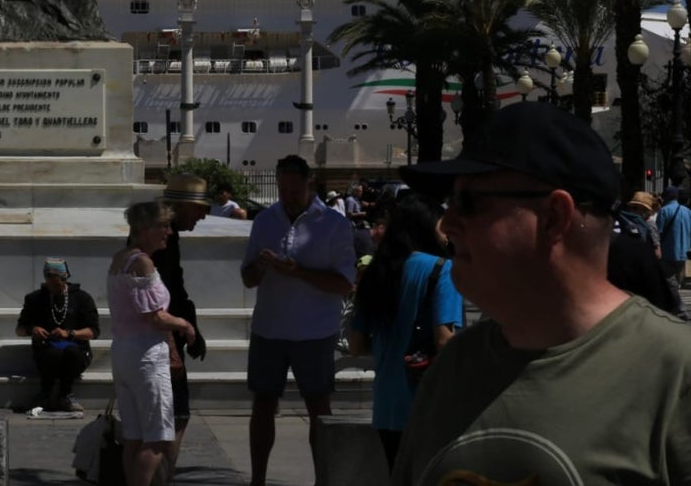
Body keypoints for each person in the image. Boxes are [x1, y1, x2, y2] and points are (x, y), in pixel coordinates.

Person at [393, 101, 691, 484]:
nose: (447, 223)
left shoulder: (676, 374)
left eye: (467, 203)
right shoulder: (453, 367)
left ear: (553, 217)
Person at [241, 154, 355, 486]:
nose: (287, 196)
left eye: (294, 190)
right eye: (282, 189)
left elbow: (345, 283)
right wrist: (261, 267)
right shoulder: (264, 221)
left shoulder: (334, 224)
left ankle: (324, 480)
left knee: (318, 408)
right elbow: (247, 279)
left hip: (315, 330)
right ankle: (257, 480)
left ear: (309, 184)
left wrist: (299, 273)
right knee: (263, 404)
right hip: (269, 328)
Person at [346, 195, 463, 471]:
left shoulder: (377, 271)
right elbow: (445, 341)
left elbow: (355, 345)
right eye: (442, 226)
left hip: (387, 407)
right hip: (429, 406)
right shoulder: (442, 269)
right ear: (427, 227)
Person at [108, 200, 197, 486]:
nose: (169, 232)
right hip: (145, 354)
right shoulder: (142, 262)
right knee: (158, 438)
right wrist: (184, 324)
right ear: (144, 229)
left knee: (134, 435)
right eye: (163, 226)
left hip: (124, 351)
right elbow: (154, 317)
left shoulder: (120, 258)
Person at [150, 173, 211, 483]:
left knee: (171, 418)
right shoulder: (159, 240)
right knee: (170, 419)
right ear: (182, 206)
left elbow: (177, 290)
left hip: (168, 336)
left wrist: (192, 326)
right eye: (199, 207)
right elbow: (155, 303)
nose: (204, 215)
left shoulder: (169, 237)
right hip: (160, 342)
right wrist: (172, 349)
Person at [15, 258, 100, 412]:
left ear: (64, 279)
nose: (53, 287)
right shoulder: (35, 299)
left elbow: (93, 331)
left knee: (71, 353)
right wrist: (32, 330)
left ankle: (66, 394)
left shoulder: (82, 298)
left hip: (76, 350)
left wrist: (70, 334)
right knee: (52, 353)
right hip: (47, 350)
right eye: (49, 283)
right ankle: (45, 393)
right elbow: (19, 329)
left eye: (57, 284)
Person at [656, 184, 691, 320]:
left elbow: (658, 232)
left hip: (668, 250)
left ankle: (679, 308)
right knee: (676, 280)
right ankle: (674, 306)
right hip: (684, 250)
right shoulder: (687, 211)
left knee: (669, 280)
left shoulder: (664, 211)